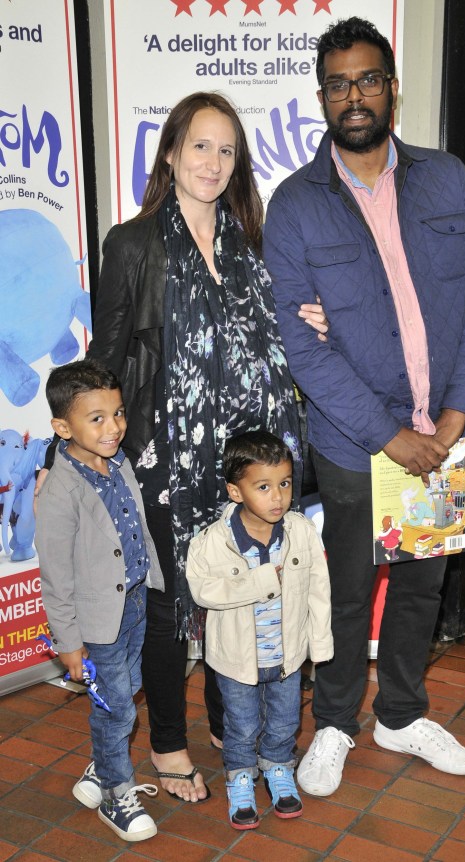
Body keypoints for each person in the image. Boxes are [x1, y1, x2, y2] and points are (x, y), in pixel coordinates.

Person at [52, 92, 327, 803]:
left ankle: (222, 721)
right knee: (173, 606)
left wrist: (311, 319)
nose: (212, 161)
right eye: (199, 146)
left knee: (233, 593)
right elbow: (106, 360)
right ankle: (169, 748)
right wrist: (86, 451)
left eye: (226, 150)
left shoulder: (250, 245)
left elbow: (276, 340)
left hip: (244, 467)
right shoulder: (135, 243)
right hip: (164, 461)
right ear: (171, 153)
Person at [263, 16, 465, 796]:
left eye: (368, 79)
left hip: (443, 432)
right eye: (338, 84)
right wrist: (387, 435)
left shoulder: (447, 179)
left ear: (392, 89)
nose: (354, 96)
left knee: (421, 581)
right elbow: (303, 348)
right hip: (350, 442)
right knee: (344, 586)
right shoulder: (295, 204)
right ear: (322, 98)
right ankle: (334, 722)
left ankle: (401, 713)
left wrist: (455, 417)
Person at [35, 358, 165, 842]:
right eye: (97, 419)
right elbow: (56, 576)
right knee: (117, 709)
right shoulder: (59, 491)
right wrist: (68, 643)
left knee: (125, 691)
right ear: (62, 426)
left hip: (131, 604)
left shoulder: (119, 461)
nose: (114, 428)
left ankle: (99, 766)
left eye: (118, 413)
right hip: (95, 620)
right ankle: (115, 791)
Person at [186, 430, 333, 829]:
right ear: (236, 492)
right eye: (263, 487)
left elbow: (319, 590)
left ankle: (279, 767)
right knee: (242, 723)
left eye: (284, 484)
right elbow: (203, 590)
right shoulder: (212, 543)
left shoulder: (301, 531)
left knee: (286, 719)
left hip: (287, 654)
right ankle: (240, 776)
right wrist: (264, 579)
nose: (278, 497)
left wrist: (318, 645)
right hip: (236, 660)